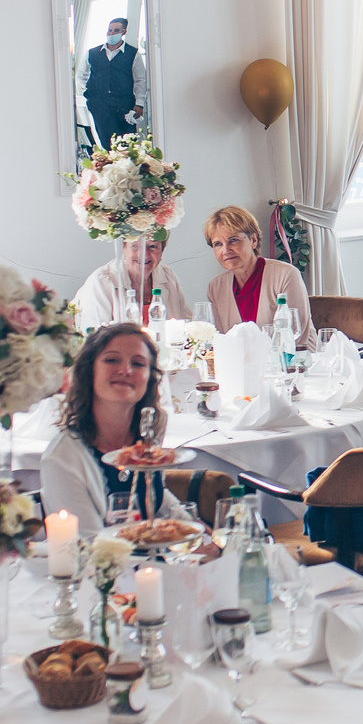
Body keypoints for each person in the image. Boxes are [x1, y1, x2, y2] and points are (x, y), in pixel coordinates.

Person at [41, 324, 197, 532]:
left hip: (158, 561)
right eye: (111, 360)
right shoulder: (62, 458)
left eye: (138, 363)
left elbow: (157, 500)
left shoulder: (143, 441)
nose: (125, 370)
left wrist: (197, 534)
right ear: (89, 371)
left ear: (149, 378)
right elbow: (89, 546)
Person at [205, 206, 313, 342]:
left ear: (253, 240)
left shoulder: (286, 274)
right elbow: (221, 340)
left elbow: (296, 333)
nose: (226, 250)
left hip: (295, 359)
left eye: (233, 240)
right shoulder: (215, 288)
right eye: (218, 244)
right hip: (240, 361)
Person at [75, 236, 189, 329]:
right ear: (124, 249)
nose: (144, 254)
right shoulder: (101, 282)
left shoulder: (168, 276)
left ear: (162, 251)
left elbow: (186, 325)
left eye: (153, 247)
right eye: (135, 246)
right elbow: (94, 339)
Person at [82, 15, 146, 150]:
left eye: (116, 30)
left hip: (124, 105)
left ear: (124, 32)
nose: (111, 33)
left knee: (127, 144)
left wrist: (139, 103)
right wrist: (88, 95)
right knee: (106, 143)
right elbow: (81, 76)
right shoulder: (92, 53)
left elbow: (140, 80)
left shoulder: (133, 54)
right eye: (109, 30)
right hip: (100, 105)